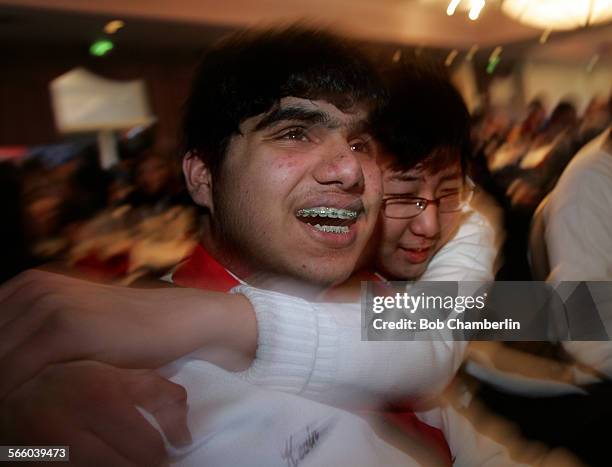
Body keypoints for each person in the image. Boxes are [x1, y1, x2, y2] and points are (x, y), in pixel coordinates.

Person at [1, 30, 530, 466]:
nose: (348, 168)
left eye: (361, 144)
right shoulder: (145, 383)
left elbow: (515, 324)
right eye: (295, 132)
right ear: (202, 176)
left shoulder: (375, 288)